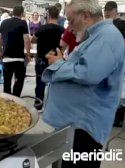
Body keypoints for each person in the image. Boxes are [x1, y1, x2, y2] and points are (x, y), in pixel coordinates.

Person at [43, 0, 125, 167]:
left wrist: (58, 65)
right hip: (74, 123)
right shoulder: (96, 36)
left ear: (86, 16)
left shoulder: (107, 37)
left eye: (71, 20)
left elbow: (88, 74)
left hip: (84, 128)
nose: (69, 27)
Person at [31, 6, 64, 110]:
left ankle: (38, 105)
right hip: (56, 60)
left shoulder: (42, 28)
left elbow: (33, 40)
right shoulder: (62, 30)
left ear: (48, 15)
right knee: (54, 84)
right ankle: (52, 107)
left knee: (40, 83)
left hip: (41, 60)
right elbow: (64, 45)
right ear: (58, 16)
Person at [0, 6, 31, 97]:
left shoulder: (4, 22)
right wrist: (28, 55)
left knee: (7, 82)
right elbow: (27, 40)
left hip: (6, 57)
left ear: (13, 13)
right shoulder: (23, 23)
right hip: (19, 58)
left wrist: (0, 52)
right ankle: (16, 99)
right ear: (22, 13)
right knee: (19, 81)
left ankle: (7, 101)